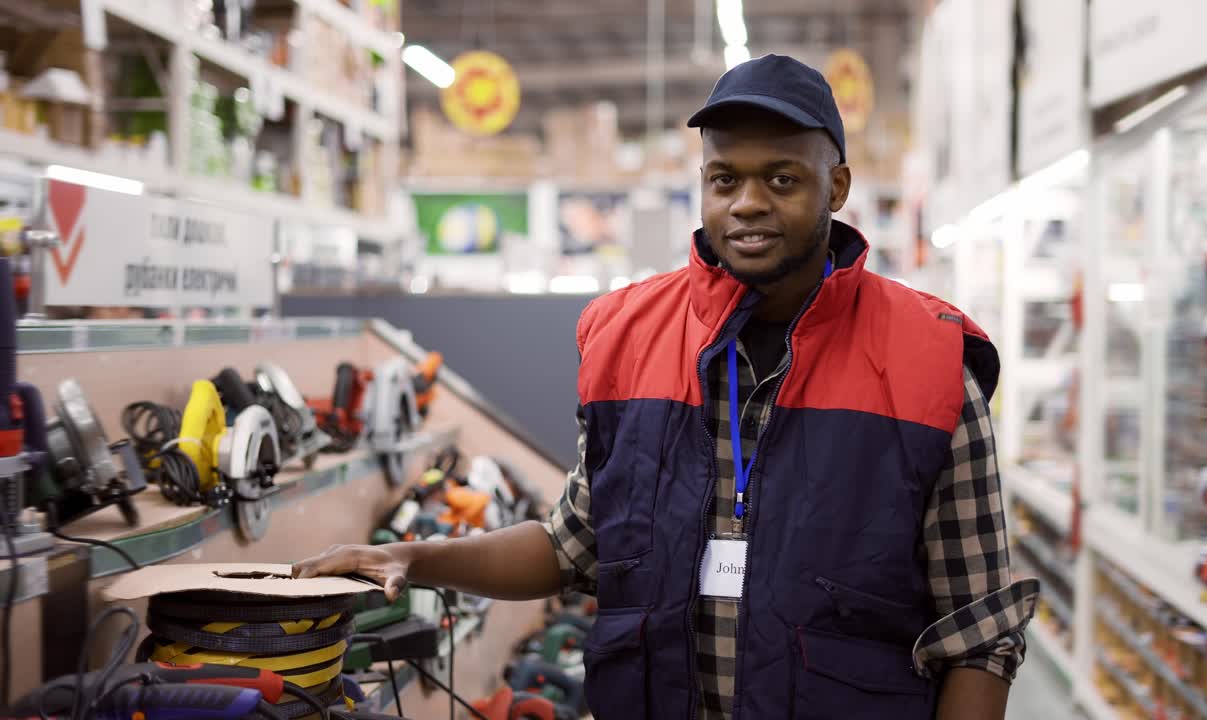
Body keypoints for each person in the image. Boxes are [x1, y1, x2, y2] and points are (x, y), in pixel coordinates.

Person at [293, 54, 1039, 720]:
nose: (747, 202)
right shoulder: (626, 336)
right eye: (725, 179)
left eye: (782, 179)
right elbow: (570, 547)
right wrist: (413, 558)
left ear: (835, 187)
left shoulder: (927, 362)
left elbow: (979, 632)